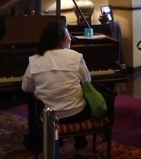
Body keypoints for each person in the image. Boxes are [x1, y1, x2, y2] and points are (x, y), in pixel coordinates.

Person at [21, 20, 91, 154]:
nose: (70, 38)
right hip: (76, 114)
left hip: (48, 117)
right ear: (61, 38)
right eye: (68, 34)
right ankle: (80, 145)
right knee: (84, 102)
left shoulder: (35, 59)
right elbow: (87, 80)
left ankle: (54, 146)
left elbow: (26, 87)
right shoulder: (75, 56)